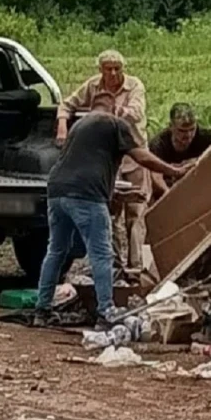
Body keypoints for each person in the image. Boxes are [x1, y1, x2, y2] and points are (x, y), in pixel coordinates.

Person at [35, 109, 187, 327]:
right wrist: (174, 171)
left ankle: (42, 309)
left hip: (57, 189)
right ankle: (106, 311)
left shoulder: (82, 125)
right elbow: (141, 156)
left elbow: (88, 165)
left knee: (56, 250)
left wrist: (112, 193)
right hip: (86, 194)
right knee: (102, 253)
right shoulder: (118, 126)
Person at [55, 50, 152, 273]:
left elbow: (137, 112)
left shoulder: (134, 85)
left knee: (136, 213)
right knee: (112, 211)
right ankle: (115, 264)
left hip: (134, 154)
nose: (113, 73)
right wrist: (62, 126)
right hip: (109, 160)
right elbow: (67, 104)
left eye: (117, 68)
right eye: (108, 69)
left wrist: (117, 112)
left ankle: (135, 265)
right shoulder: (92, 86)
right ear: (101, 70)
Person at [149, 103, 211, 196]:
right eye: (182, 131)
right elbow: (156, 176)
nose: (188, 135)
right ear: (171, 127)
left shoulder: (207, 138)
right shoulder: (159, 144)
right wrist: (168, 193)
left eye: (192, 129)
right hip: (170, 189)